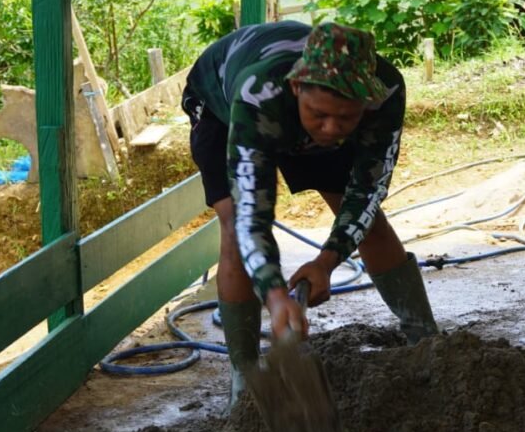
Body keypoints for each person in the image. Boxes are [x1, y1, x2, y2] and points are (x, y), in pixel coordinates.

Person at [182, 21, 439, 407]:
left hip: (296, 111)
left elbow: (368, 190)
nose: (332, 129)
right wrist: (274, 295)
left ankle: (428, 342)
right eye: (320, 115)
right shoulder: (259, 93)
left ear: (365, 104)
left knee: (370, 222)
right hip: (221, 102)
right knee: (234, 224)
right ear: (298, 86)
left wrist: (327, 261)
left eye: (346, 118)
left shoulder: (385, 91)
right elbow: (254, 213)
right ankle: (246, 380)